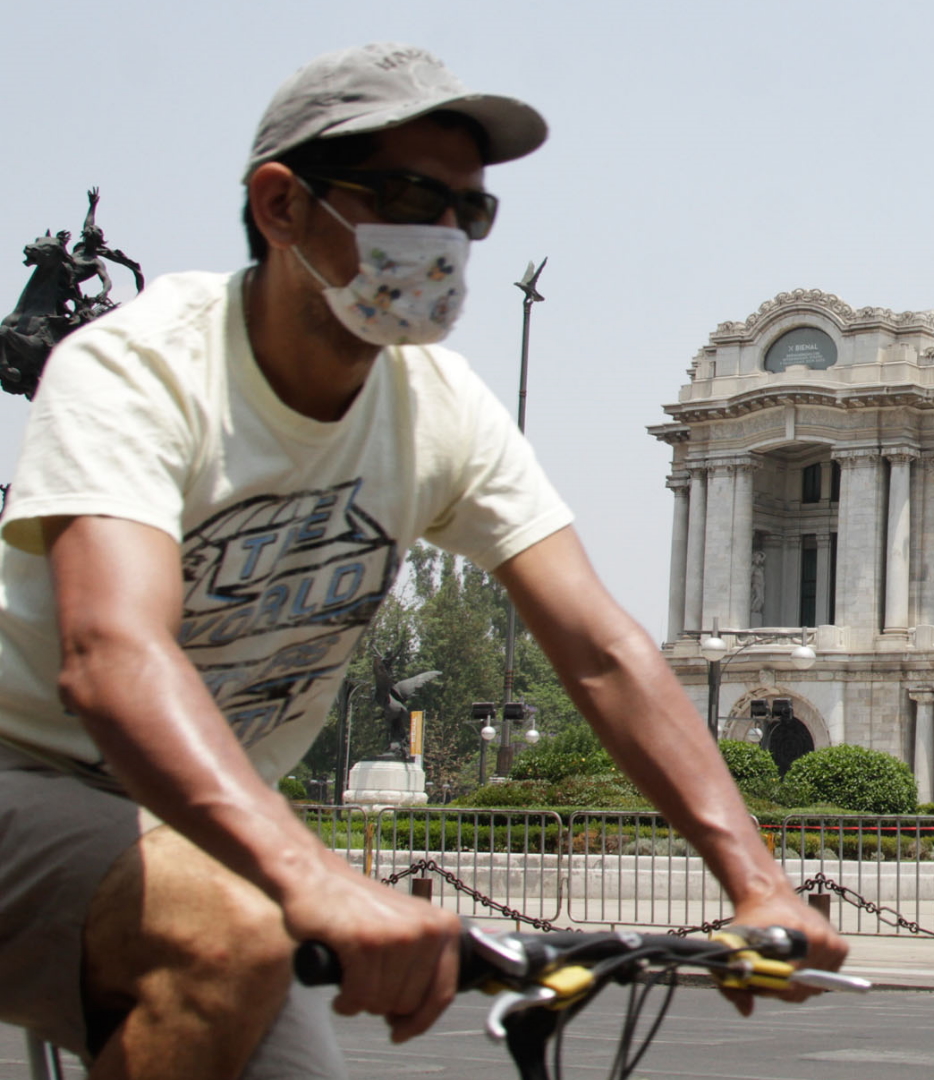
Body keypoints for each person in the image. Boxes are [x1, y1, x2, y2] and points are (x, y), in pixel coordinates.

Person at [0, 43, 845, 1079]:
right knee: (228, 936)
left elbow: (600, 649)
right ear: (280, 205)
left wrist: (757, 881)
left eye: (467, 211)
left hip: (199, 828)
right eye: (407, 197)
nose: (444, 235)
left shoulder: (435, 407)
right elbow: (112, 656)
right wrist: (312, 877)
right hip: (27, 769)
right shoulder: (139, 367)